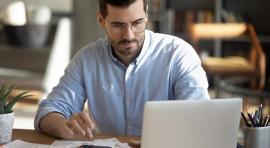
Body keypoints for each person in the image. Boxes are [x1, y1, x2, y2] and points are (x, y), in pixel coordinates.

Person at [34, 0, 210, 139]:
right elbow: (47, 111)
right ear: (101, 21)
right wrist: (64, 126)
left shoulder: (178, 55)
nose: (129, 35)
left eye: (137, 23)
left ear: (147, 15)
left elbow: (200, 118)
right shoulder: (86, 60)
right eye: (118, 25)